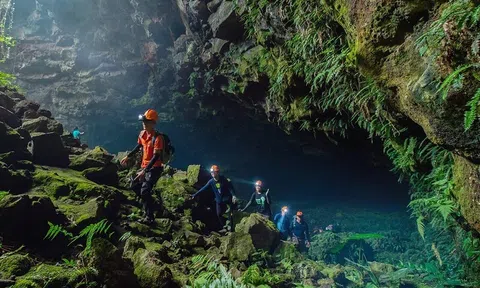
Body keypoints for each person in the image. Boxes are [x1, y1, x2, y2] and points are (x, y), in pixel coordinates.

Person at [120, 109, 165, 225]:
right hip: (144, 166)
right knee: (134, 185)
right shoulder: (142, 134)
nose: (144, 124)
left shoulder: (158, 138)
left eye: (147, 122)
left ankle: (150, 218)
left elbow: (156, 157)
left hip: (154, 168)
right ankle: (152, 204)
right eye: (144, 121)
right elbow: (139, 146)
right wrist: (128, 156)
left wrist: (144, 171)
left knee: (144, 191)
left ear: (153, 123)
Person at [191, 165, 238, 233]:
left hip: (226, 200)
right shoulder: (211, 182)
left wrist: (233, 196)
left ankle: (231, 229)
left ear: (217, 172)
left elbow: (229, 188)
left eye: (214, 172)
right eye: (211, 172)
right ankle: (224, 227)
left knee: (229, 214)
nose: (212, 174)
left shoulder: (223, 179)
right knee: (218, 214)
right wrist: (195, 195)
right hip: (219, 201)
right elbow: (203, 189)